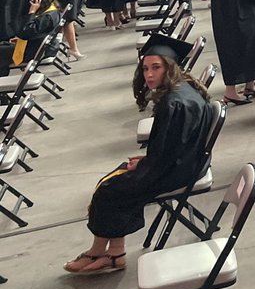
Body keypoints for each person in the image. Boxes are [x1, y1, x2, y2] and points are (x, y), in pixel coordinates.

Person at [64, 33, 215, 275]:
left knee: (109, 190)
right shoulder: (183, 89)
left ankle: (101, 252)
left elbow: (167, 154)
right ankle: (113, 255)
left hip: (180, 170)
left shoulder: (174, 103)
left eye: (156, 68)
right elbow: (172, 145)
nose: (149, 75)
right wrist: (147, 160)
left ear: (170, 67)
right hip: (188, 161)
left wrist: (146, 165)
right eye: (145, 69)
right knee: (115, 180)